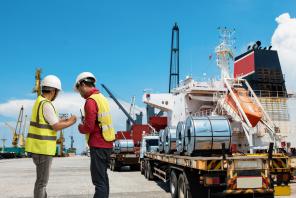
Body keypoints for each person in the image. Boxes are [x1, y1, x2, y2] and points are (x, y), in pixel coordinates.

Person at [25, 75, 77, 198]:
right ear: (53, 91)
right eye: (57, 92)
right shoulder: (46, 104)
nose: (57, 95)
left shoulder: (39, 101)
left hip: (37, 148)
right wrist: (72, 121)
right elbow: (56, 126)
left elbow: (51, 120)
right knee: (42, 183)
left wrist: (63, 120)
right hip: (43, 149)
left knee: (41, 181)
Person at [74, 72, 115, 198]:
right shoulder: (102, 98)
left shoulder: (90, 101)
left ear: (82, 84)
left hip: (98, 144)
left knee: (99, 182)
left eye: (79, 89)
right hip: (107, 144)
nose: (80, 93)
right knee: (103, 179)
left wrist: (80, 127)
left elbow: (89, 127)